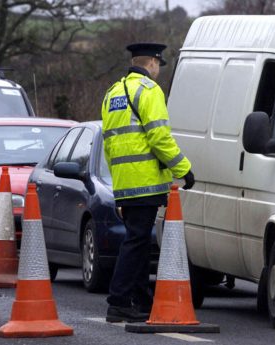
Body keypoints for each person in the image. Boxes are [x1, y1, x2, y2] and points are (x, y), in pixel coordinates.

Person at [101, 42, 195, 323]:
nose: (158, 71)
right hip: (146, 181)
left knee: (138, 241)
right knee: (137, 241)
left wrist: (118, 188)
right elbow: (159, 137)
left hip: (124, 182)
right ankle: (118, 301)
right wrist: (184, 168)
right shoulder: (150, 91)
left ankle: (141, 301)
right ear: (152, 63)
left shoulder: (112, 93)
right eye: (158, 65)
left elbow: (108, 144)